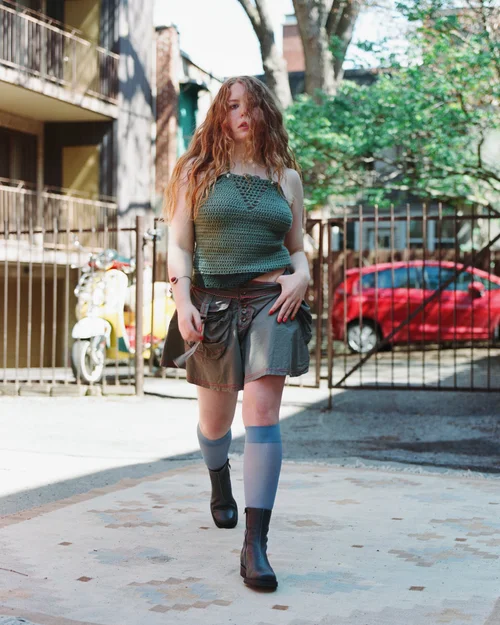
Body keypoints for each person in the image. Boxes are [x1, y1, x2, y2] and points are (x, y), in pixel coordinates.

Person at [162, 75, 312, 591]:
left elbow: (297, 247)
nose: (242, 114)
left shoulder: (285, 177)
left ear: (266, 111)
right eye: (231, 106)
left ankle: (255, 546)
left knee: (263, 414)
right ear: (219, 116)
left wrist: (302, 274)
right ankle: (218, 476)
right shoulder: (196, 172)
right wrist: (182, 300)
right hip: (213, 304)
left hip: (273, 300)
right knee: (215, 424)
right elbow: (179, 246)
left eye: (250, 105)